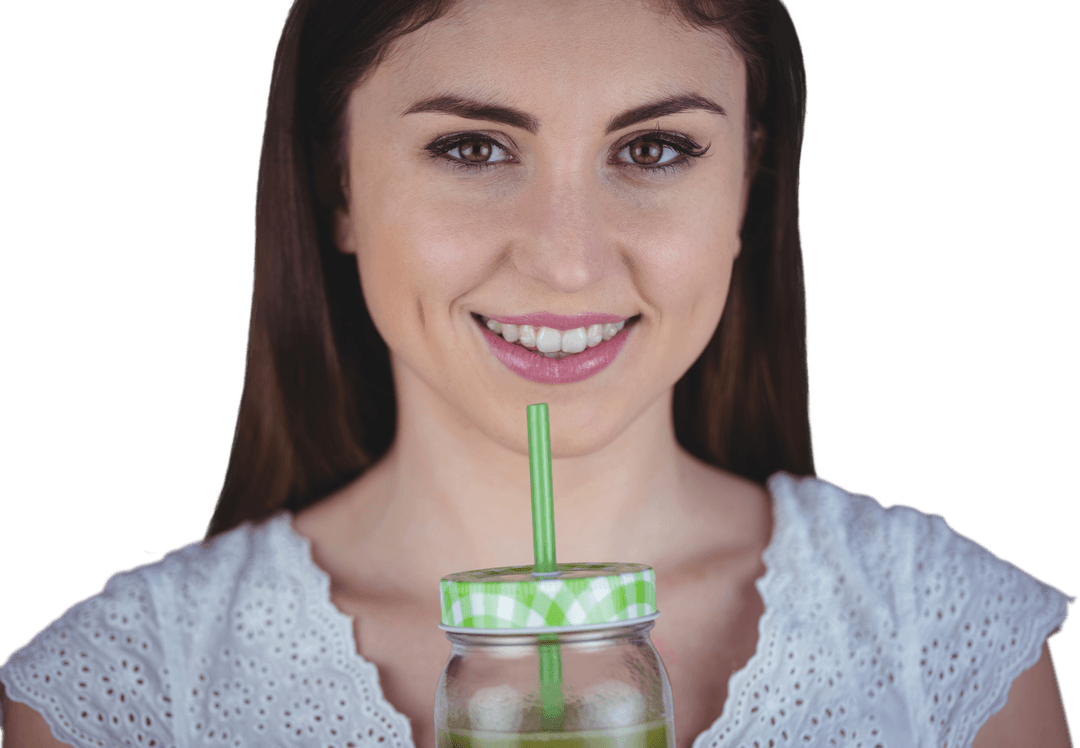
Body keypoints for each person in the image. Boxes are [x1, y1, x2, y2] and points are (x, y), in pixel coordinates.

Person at [1, 0, 1073, 746]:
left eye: (654, 148)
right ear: (337, 187)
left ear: (749, 180)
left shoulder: (941, 639)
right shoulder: (128, 693)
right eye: (472, 147)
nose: (567, 262)